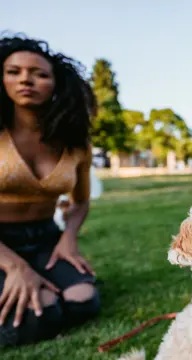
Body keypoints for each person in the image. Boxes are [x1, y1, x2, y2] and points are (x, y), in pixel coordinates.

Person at [0, 34, 99, 346]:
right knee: (38, 315)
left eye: (40, 74)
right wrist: (14, 265)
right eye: (13, 71)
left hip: (45, 237)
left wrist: (68, 239)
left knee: (82, 300)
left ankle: (45, 277)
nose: (26, 80)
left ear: (57, 83)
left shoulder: (75, 140)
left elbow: (80, 202)